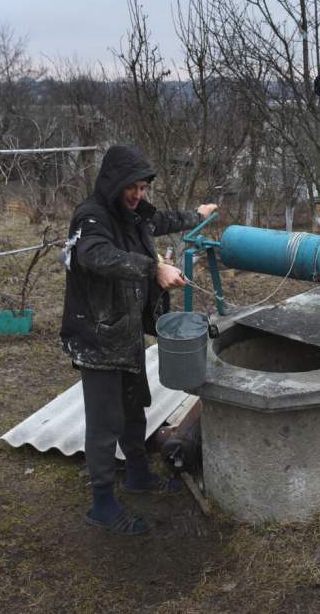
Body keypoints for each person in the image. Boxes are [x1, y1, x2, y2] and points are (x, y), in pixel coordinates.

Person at [60, 144, 217, 535]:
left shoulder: (131, 215)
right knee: (104, 421)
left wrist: (195, 216)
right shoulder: (92, 218)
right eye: (133, 187)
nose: (138, 195)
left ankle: (138, 475)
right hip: (97, 336)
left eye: (144, 188)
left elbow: (157, 222)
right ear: (114, 182)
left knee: (135, 407)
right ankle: (102, 504)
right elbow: (97, 257)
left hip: (124, 330)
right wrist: (154, 270)